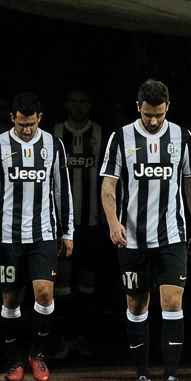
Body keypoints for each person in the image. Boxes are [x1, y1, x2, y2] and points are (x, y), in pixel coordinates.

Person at [100, 79, 191, 381]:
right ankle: (142, 377)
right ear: (138, 108)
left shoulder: (182, 137)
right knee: (136, 305)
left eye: (158, 114)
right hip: (132, 241)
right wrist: (113, 222)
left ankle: (171, 379)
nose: (154, 121)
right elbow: (107, 186)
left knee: (172, 303)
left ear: (167, 108)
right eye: (148, 115)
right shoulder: (121, 138)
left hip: (172, 237)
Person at [0, 92, 73, 381]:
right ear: (12, 118)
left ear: (39, 118)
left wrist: (67, 232)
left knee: (44, 293)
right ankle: (14, 360)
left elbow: (62, 190)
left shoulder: (53, 146)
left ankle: (38, 353)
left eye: (30, 124)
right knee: (10, 299)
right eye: (21, 124)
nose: (26, 130)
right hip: (7, 236)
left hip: (43, 234)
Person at [53, 89, 106, 355]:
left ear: (89, 104)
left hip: (92, 222)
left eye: (82, 101)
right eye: (72, 101)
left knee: (87, 283)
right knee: (61, 282)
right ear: (65, 104)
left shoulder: (99, 133)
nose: (77, 106)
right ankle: (63, 338)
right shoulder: (54, 134)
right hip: (62, 224)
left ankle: (84, 338)